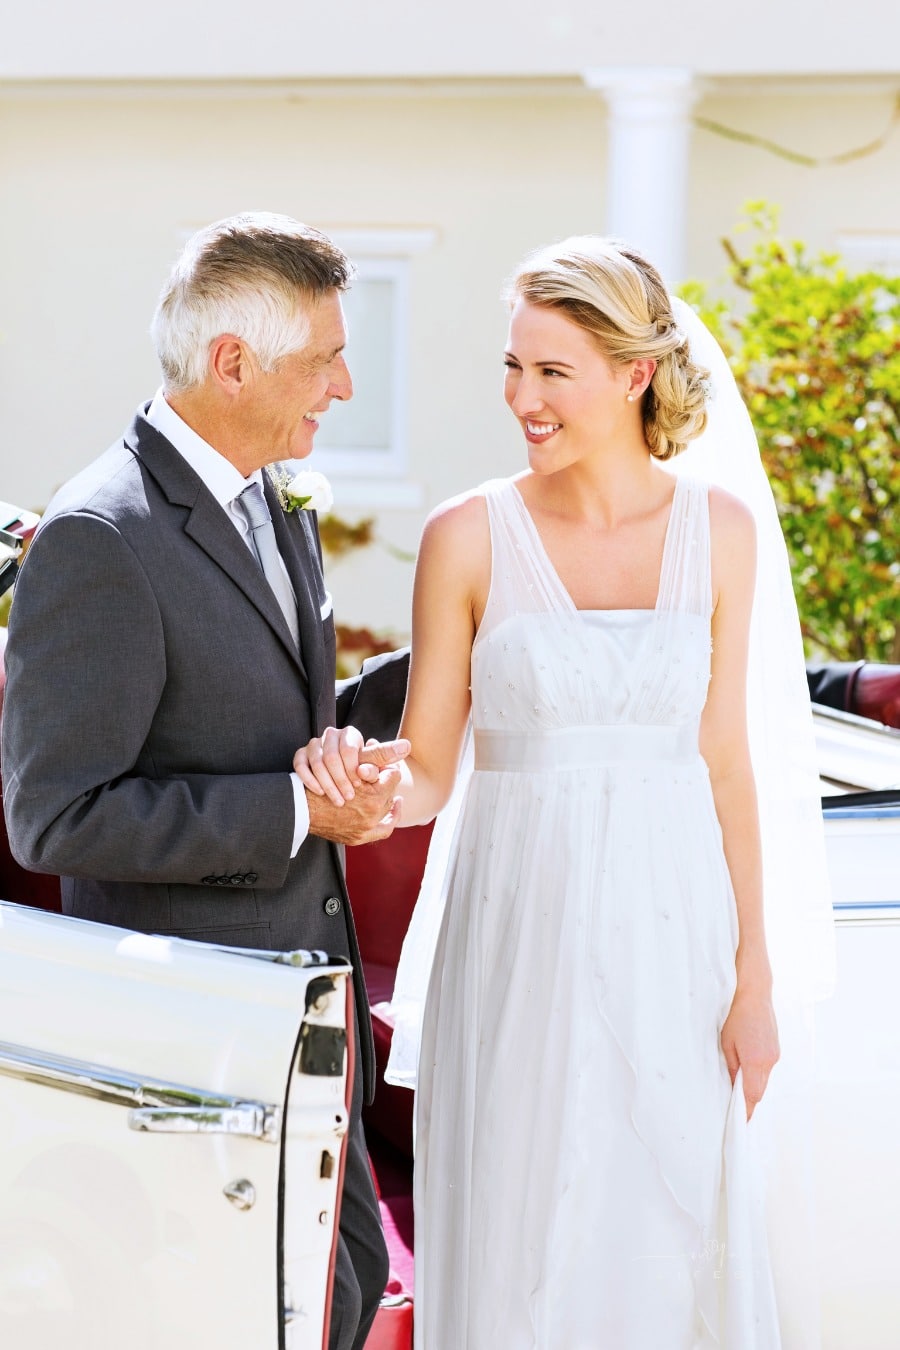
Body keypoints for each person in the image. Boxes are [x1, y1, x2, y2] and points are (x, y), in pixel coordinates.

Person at [296, 236, 834, 1348]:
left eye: (552, 373)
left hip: (675, 943)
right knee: (524, 1233)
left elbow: (728, 764)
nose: (521, 400)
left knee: (664, 1234)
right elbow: (433, 766)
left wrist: (754, 981)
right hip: (517, 938)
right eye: (512, 368)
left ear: (635, 376)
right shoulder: (466, 534)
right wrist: (364, 781)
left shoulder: (719, 533)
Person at [1, 212, 412, 1350]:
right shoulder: (99, 536)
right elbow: (57, 815)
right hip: (194, 1050)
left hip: (306, 1031)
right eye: (322, 355)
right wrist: (296, 811)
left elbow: (277, 715)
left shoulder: (277, 502)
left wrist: (431, 671)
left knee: (346, 1293)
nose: (340, 383)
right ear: (232, 362)